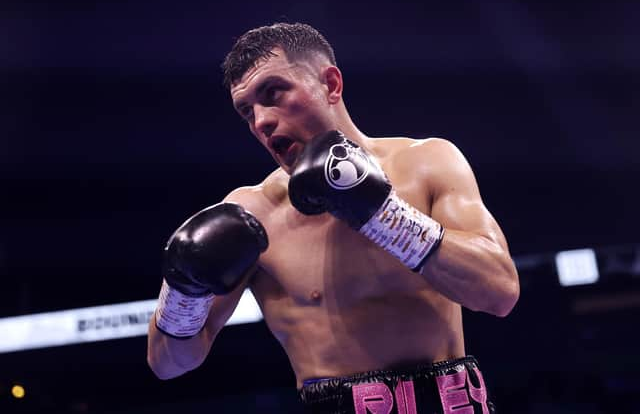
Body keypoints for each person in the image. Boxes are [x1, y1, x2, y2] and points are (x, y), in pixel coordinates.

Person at [147, 22, 520, 413]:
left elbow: (499, 293)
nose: (261, 122)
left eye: (273, 94)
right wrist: (182, 294)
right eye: (247, 112)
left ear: (331, 85)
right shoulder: (252, 215)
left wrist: (382, 214)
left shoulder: (426, 163)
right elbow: (169, 364)